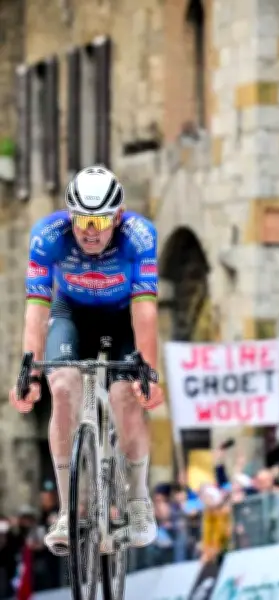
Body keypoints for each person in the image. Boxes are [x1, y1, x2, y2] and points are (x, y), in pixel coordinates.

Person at [8, 165, 163, 556]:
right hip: (71, 314)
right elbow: (36, 307)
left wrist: (150, 371)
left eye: (99, 220)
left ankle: (139, 501)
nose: (89, 230)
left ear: (119, 216)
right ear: (69, 215)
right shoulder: (48, 236)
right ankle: (66, 511)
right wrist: (29, 369)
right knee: (61, 387)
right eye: (81, 220)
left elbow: (145, 311)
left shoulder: (139, 236)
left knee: (127, 396)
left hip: (122, 317)